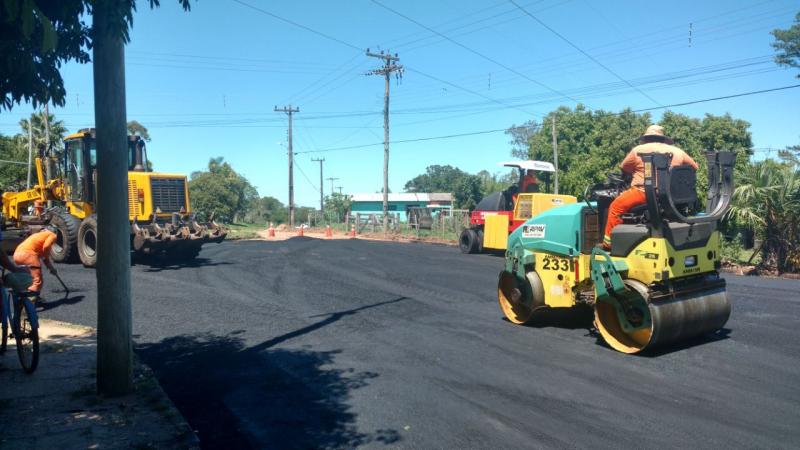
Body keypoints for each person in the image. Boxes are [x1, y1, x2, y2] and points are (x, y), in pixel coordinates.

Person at [601, 125, 698, 250]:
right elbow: (694, 167)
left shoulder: (638, 150)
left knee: (615, 208)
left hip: (642, 193)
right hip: (670, 196)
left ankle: (609, 243)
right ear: (663, 139)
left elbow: (625, 168)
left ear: (646, 138)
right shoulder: (678, 151)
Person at [12, 225, 58, 299]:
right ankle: (31, 301)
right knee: (37, 280)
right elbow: (46, 247)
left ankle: (25, 298)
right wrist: (47, 258)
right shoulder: (52, 234)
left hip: (17, 255)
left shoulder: (37, 235)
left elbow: (43, 256)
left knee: (27, 278)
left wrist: (50, 267)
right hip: (28, 255)